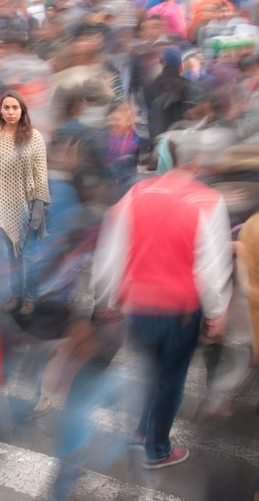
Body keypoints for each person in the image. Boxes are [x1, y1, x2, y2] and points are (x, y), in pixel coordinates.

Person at [93, 130, 233, 469]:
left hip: (139, 306)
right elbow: (211, 266)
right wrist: (217, 311)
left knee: (148, 371)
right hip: (180, 311)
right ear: (197, 161)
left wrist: (107, 296)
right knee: (171, 378)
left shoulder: (136, 193)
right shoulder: (209, 201)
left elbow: (112, 249)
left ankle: (141, 431)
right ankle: (157, 448)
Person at [0, 90, 50, 316]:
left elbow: (41, 174)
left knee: (29, 256)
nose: (11, 112)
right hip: (2, 205)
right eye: (6, 108)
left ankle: (30, 298)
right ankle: (15, 295)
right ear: (1, 111)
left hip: (29, 204)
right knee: (11, 254)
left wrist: (38, 207)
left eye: (15, 108)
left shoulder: (34, 137)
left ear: (22, 111)